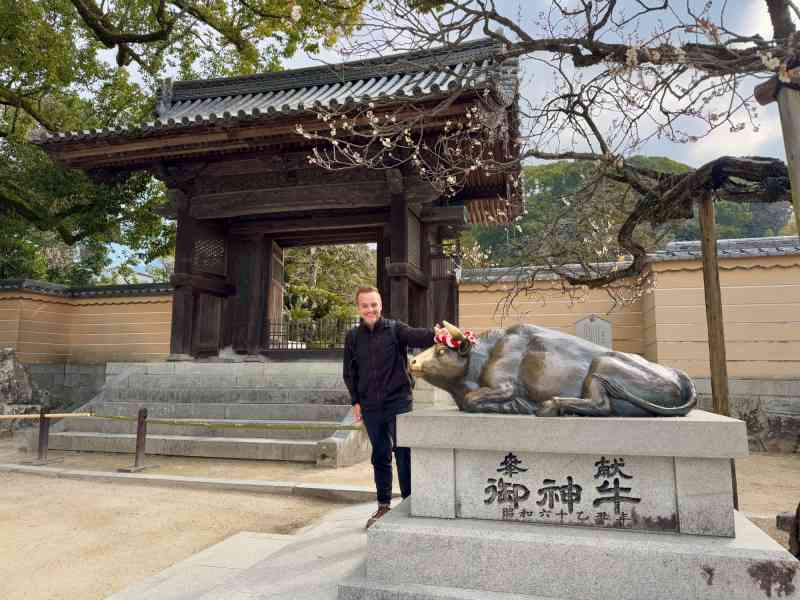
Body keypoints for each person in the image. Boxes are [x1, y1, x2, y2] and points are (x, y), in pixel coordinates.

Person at [343, 285, 445, 529]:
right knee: (380, 454)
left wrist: (436, 334)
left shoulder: (394, 329)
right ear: (359, 308)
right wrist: (355, 401)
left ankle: (410, 502)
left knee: (404, 452)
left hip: (398, 401)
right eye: (365, 305)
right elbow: (349, 372)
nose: (370, 309)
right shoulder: (353, 337)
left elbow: (417, 336)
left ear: (381, 305)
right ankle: (383, 505)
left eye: (374, 304)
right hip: (370, 405)